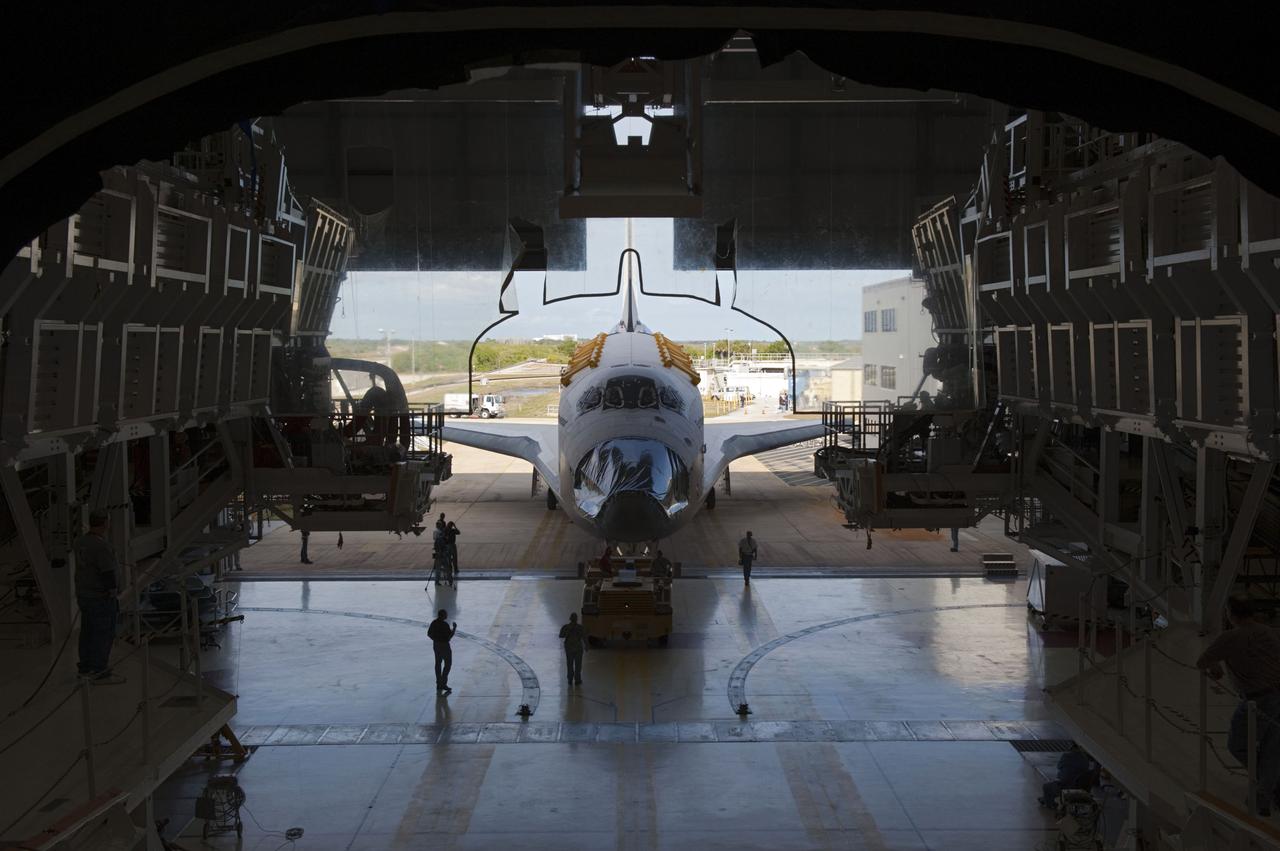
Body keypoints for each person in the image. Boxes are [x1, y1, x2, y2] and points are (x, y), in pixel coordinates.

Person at [1197, 596, 1280, 815]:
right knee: (1272, 749)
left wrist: (1216, 667)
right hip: (1277, 696)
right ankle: (1266, 792)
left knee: (1238, 745)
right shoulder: (1269, 632)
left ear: (1231, 614)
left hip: (1257, 700)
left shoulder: (1231, 637)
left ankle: (1267, 786)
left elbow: (1202, 661)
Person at [75, 511, 125, 684]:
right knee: (103, 634)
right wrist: (112, 591)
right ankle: (99, 671)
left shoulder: (80, 542)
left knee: (87, 632)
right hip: (100, 597)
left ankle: (85, 668)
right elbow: (107, 572)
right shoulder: (101, 546)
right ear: (105, 523)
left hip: (85, 595)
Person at [1038, 744, 1096, 808]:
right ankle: (1045, 799)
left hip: (1067, 788)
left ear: (1071, 748)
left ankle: (1049, 805)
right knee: (1055, 784)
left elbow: (1059, 766)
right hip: (1081, 788)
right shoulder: (1085, 760)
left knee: (1046, 786)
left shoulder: (1066, 756)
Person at [427, 609, 457, 694]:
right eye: (446, 614)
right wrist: (454, 628)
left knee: (438, 663)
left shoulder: (434, 623)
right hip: (445, 646)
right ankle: (443, 683)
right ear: (443, 615)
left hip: (436, 645)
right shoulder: (445, 625)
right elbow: (449, 637)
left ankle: (439, 683)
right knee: (448, 664)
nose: (447, 615)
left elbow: (429, 634)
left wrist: (436, 639)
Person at [559, 612, 587, 686]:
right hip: (578, 648)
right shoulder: (580, 627)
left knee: (569, 664)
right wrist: (587, 646)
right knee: (578, 665)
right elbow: (584, 637)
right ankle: (577, 679)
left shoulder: (565, 627)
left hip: (569, 648)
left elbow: (561, 635)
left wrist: (567, 632)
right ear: (576, 619)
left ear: (570, 619)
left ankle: (570, 679)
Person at [426, 518, 447, 588]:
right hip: (439, 553)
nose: (441, 526)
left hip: (440, 552)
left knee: (441, 567)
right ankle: (437, 581)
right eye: (440, 525)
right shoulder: (437, 532)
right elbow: (435, 538)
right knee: (439, 568)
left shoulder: (439, 532)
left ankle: (439, 581)